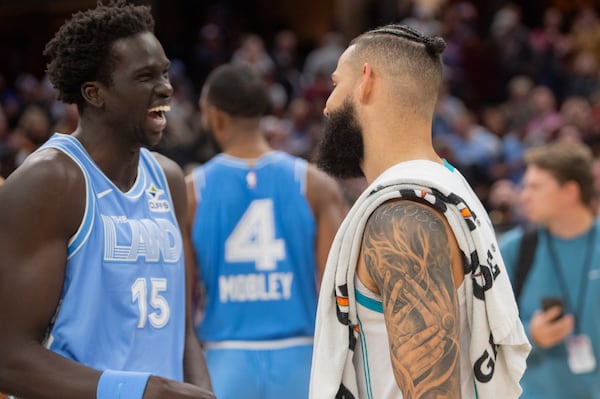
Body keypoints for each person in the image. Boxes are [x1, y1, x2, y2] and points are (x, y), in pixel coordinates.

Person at [0, 2, 214, 398]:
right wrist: (139, 391)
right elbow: (8, 357)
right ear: (96, 94)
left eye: (165, 72)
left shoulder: (169, 180)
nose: (166, 87)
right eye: (145, 76)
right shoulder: (50, 181)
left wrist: (201, 391)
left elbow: (181, 329)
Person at [309, 23, 530, 399]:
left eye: (335, 84)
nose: (327, 105)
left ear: (366, 81)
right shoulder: (449, 184)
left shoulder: (402, 214)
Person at [186, 63, 347, 399]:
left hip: (224, 358)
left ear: (215, 117)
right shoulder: (314, 185)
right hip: (301, 357)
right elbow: (338, 288)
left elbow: (183, 298)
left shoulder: (191, 192)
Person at [499, 140, 600, 398]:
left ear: (569, 192)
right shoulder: (515, 249)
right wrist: (531, 333)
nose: (524, 196)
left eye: (535, 187)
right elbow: (488, 330)